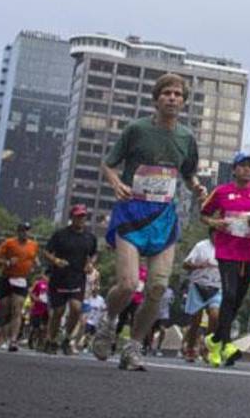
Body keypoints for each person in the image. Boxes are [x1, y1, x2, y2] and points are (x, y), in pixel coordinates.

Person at [91, 73, 208, 372]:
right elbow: (108, 164)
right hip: (131, 213)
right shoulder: (137, 129)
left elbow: (188, 173)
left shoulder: (186, 138)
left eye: (177, 94)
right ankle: (108, 320)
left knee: (158, 288)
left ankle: (133, 347)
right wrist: (116, 183)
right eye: (166, 93)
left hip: (163, 217)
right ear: (156, 99)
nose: (172, 98)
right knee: (129, 284)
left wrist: (196, 187)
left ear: (184, 102)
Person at [200, 149, 250, 367]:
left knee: (238, 299)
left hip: (248, 252)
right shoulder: (221, 191)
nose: (247, 170)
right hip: (226, 251)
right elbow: (203, 214)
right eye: (242, 166)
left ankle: (215, 340)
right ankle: (226, 344)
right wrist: (215, 223)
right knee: (229, 295)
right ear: (234, 170)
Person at [43, 204, 99, 355]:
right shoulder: (60, 234)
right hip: (59, 278)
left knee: (76, 308)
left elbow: (94, 254)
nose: (81, 219)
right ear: (72, 217)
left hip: (78, 278)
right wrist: (56, 261)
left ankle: (67, 339)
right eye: (78, 216)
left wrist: (90, 263)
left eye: (83, 216)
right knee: (58, 311)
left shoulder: (90, 237)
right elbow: (46, 252)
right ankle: (51, 340)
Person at [0, 221, 40, 351]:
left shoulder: (34, 245)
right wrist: (7, 262)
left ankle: (13, 340)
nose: (25, 233)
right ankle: (0, 336)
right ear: (18, 232)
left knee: (17, 309)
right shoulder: (9, 243)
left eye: (27, 230)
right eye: (22, 230)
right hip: (7, 278)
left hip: (21, 280)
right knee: (5, 308)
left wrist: (35, 265)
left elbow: (34, 259)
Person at [181, 228, 222, 363]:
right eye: (215, 234)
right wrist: (199, 265)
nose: (218, 237)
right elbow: (185, 264)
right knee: (196, 321)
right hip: (199, 286)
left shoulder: (225, 248)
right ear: (210, 234)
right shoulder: (201, 246)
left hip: (216, 287)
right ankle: (190, 348)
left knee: (215, 316)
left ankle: (206, 347)